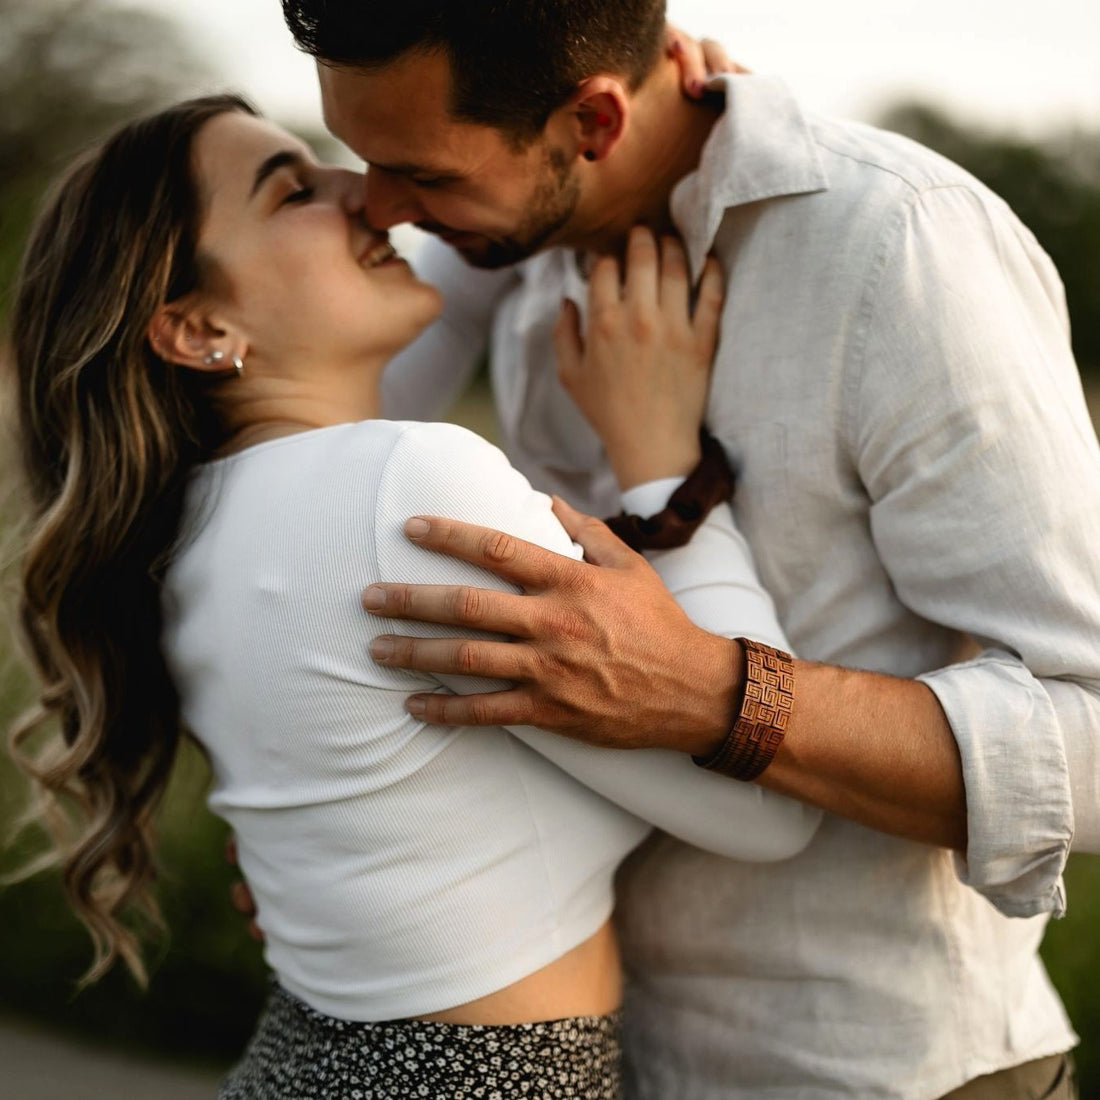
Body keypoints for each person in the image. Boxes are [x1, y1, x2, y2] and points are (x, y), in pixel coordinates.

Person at [272, 0, 1100, 1096]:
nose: (381, 207)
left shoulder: (896, 247)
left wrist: (705, 689)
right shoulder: (514, 237)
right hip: (592, 1056)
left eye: (421, 172)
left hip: (871, 1072)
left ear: (594, 124)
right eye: (364, 158)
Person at [6, 93, 822, 1098]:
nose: (364, 194)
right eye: (293, 191)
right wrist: (663, 470)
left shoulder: (199, 524)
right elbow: (768, 814)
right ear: (200, 327)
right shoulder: (401, 485)